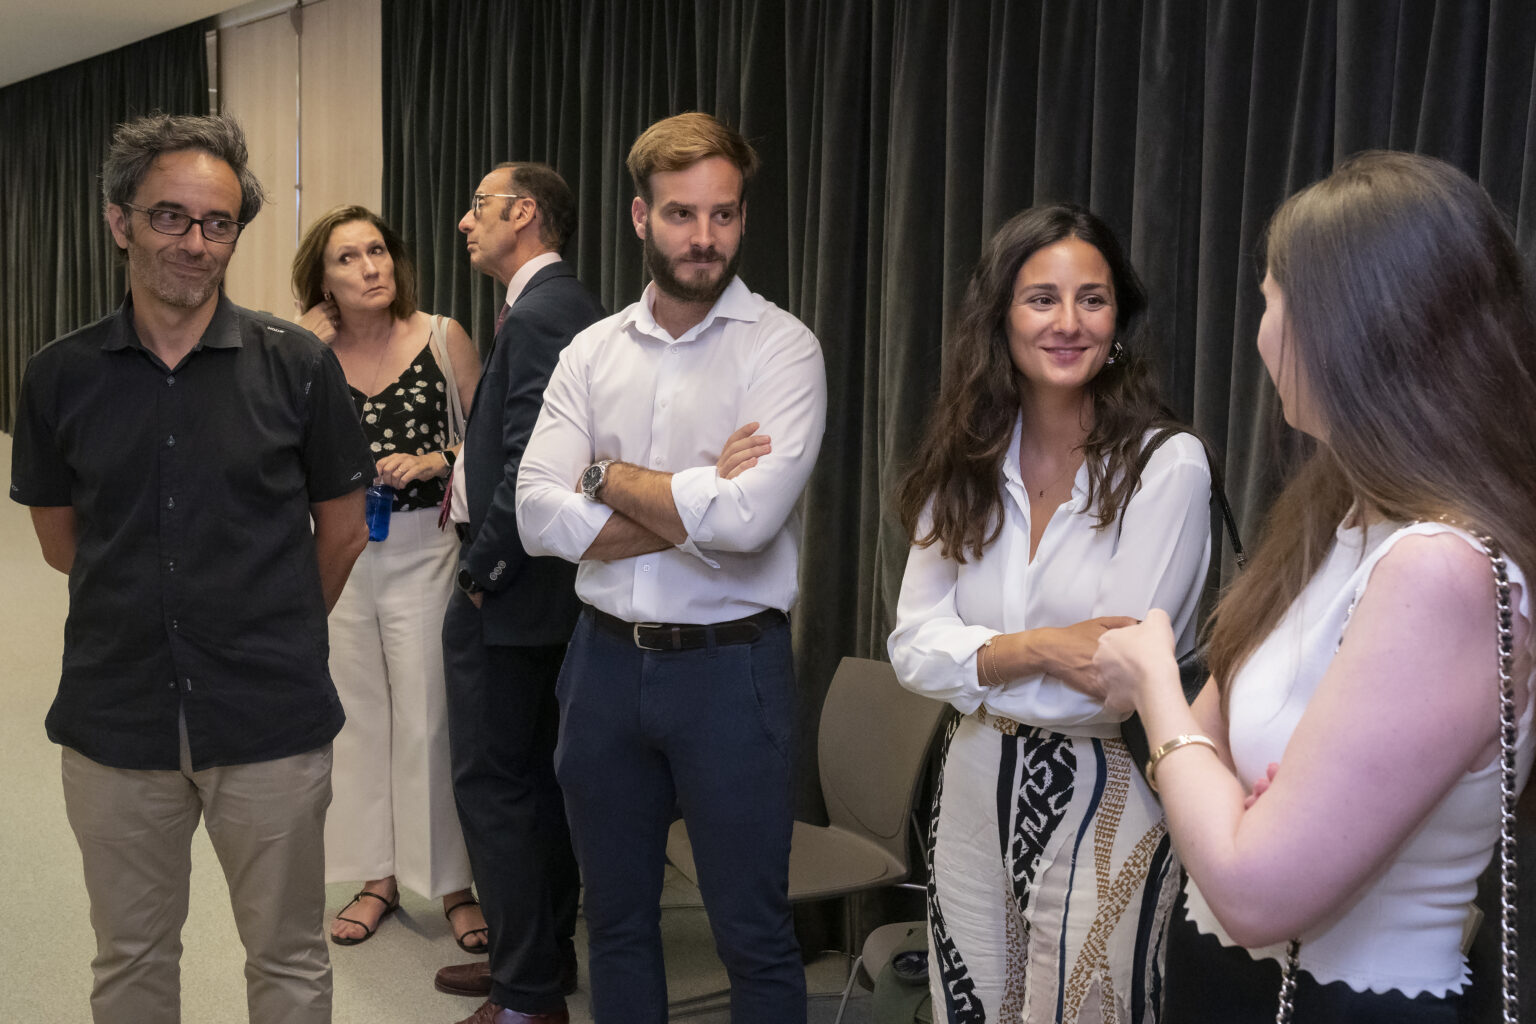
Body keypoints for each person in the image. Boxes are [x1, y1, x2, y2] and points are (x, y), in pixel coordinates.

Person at [1093, 150, 1536, 1022]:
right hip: (1234, 986)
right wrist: (1230, 804)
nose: (1262, 332)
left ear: (1344, 327)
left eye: (1270, 299)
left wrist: (1151, 681)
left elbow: (1254, 889)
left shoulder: (1441, 569)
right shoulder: (1342, 516)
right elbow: (1204, 760)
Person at [9, 113, 374, 1023]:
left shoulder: (298, 367)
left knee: (288, 959)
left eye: (218, 223)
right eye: (169, 217)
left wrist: (272, 624)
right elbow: (60, 541)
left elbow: (341, 532)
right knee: (130, 958)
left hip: (269, 715)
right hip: (117, 714)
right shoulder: (59, 376)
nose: (195, 242)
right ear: (119, 221)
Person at [516, 111, 827, 1023]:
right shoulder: (592, 351)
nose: (704, 237)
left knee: (753, 936)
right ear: (640, 217)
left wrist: (605, 476)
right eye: (682, 214)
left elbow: (750, 520)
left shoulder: (782, 347)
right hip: (603, 668)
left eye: (723, 214)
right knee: (614, 925)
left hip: (732, 672)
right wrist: (696, 498)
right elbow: (535, 514)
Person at [887, 203, 1213, 1023]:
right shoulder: (964, 460)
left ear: (1118, 319)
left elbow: (1113, 679)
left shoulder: (1165, 466)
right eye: (1042, 299)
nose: (1069, 323)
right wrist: (1035, 648)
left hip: (1107, 785)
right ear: (1000, 316)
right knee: (968, 1012)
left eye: (1092, 299)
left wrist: (979, 658)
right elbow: (912, 647)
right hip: (971, 774)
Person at [289, 205, 486, 950]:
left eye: (377, 251)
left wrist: (438, 460)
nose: (370, 267)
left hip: (423, 547)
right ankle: (377, 878)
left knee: (429, 719)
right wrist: (295, 354)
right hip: (337, 551)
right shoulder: (303, 353)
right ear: (322, 280)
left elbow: (494, 442)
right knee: (357, 718)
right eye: (347, 258)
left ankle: (453, 884)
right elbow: (269, 449)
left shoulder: (440, 336)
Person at [435, 162, 605, 1024]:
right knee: (536, 783)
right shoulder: (556, 306)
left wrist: (481, 574)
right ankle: (537, 961)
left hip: (512, 594)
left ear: (524, 213)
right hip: (545, 596)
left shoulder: (540, 314)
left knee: (494, 785)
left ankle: (527, 994)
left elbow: (536, 464)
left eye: (479, 207)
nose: (467, 223)